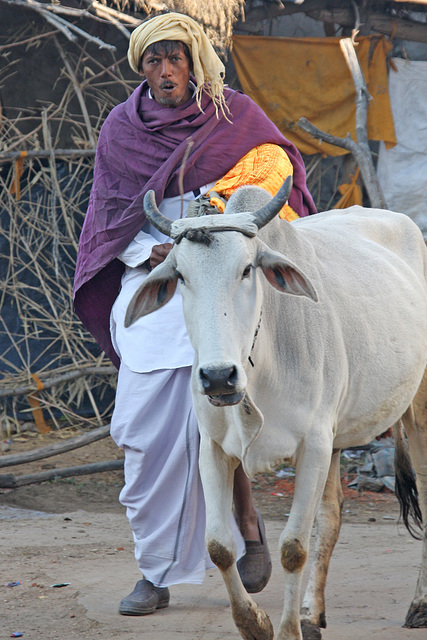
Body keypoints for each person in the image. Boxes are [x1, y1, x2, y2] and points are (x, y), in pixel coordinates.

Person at [73, 11, 316, 617]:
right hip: (160, 275)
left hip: (225, 279)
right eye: (153, 61)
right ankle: (153, 572)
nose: (164, 71)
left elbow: (273, 171)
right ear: (141, 69)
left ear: (196, 63)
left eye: (175, 58)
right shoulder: (120, 130)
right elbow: (111, 217)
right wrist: (149, 249)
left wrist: (221, 230)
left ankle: (249, 529)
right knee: (144, 430)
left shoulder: (234, 116)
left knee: (224, 403)